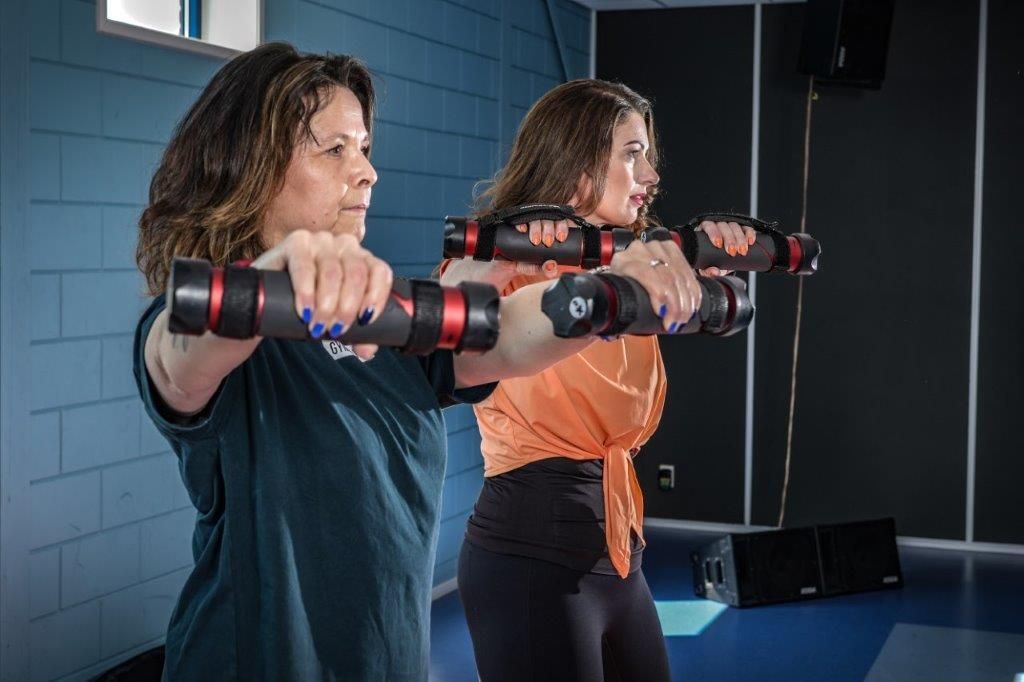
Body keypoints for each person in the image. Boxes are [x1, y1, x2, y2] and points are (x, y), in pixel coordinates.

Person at [133, 45, 692, 681]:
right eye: (334, 149)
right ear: (252, 168)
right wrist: (276, 272)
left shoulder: (391, 317)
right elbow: (180, 355)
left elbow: (511, 333)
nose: (366, 171)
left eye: (364, 148)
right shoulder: (201, 322)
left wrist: (615, 290)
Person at [440, 79, 756, 681]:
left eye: (649, 154)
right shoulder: (498, 262)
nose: (651, 173)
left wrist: (712, 254)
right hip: (531, 556)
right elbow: (444, 320)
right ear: (577, 161)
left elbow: (720, 300)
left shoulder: (630, 263)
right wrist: (505, 250)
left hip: (618, 554)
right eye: (632, 153)